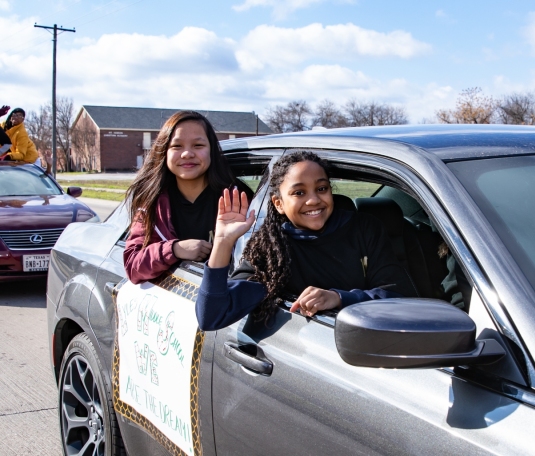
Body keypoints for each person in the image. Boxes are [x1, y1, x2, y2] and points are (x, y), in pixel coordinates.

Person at [195, 151, 417, 331]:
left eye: (322, 189)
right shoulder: (272, 252)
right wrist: (223, 243)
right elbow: (212, 316)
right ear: (279, 204)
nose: (314, 200)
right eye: (299, 193)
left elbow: (401, 297)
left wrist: (339, 298)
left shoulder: (364, 228)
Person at [124, 110, 252, 284]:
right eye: (177, 146)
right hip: (173, 300)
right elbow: (133, 267)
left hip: (226, 301)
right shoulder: (152, 204)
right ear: (164, 152)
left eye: (198, 145)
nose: (187, 154)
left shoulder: (240, 198)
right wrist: (175, 249)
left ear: (211, 150)